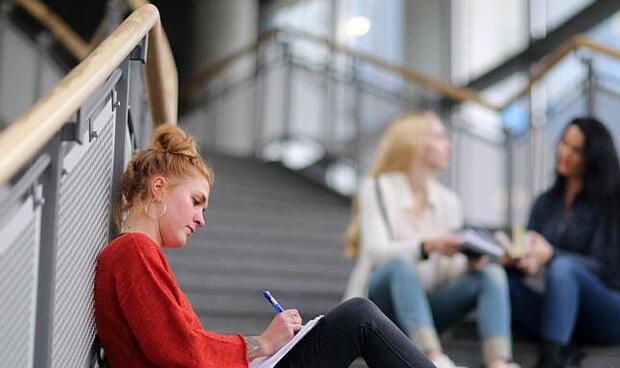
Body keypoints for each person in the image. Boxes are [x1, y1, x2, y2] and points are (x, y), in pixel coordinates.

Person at [94, 124, 437, 368]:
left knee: (357, 320)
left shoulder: (138, 252)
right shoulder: (134, 251)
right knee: (358, 318)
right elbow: (181, 351)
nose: (201, 219)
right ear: (158, 188)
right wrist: (263, 344)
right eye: (196, 201)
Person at [343, 111, 519, 368]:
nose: (448, 145)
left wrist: (469, 261)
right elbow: (375, 253)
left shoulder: (449, 201)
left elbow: (447, 275)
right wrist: (427, 246)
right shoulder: (378, 189)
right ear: (415, 144)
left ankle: (500, 362)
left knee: (491, 275)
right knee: (401, 264)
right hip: (380, 307)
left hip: (425, 308)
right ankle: (432, 358)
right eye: (438, 137)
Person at [502, 117, 620, 368]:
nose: (564, 153)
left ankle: (550, 360)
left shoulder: (608, 206)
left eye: (576, 150)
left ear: (593, 158)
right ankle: (563, 344)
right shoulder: (545, 203)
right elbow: (533, 255)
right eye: (563, 144)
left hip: (608, 312)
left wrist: (551, 256)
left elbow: (607, 267)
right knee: (500, 279)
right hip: (560, 309)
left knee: (563, 268)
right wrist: (519, 259)